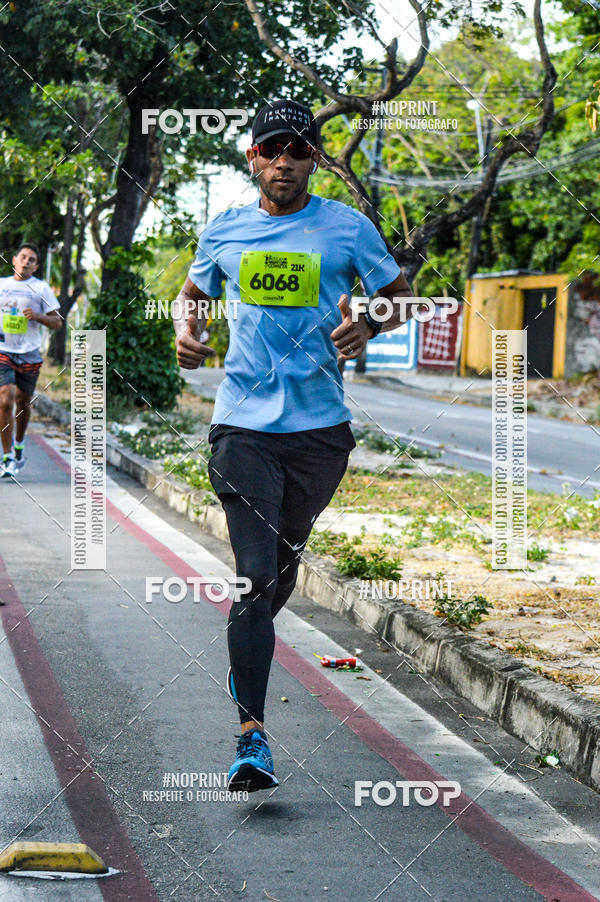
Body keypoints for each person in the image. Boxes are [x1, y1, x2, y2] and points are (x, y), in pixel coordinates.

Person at [173, 99, 412, 793]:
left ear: (315, 158)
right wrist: (187, 330)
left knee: (276, 577)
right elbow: (193, 293)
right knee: (253, 575)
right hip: (241, 429)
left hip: (318, 437)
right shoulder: (227, 228)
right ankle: (251, 735)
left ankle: (246, 650)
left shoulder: (346, 227)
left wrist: (368, 325)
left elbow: (398, 294)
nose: (285, 160)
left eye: (298, 149)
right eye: (272, 148)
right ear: (251, 156)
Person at [0, 243, 61, 477]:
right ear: (14, 259)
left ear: (36, 267)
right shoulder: (2, 285)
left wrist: (37, 316)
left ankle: (19, 445)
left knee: (23, 403)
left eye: (31, 259)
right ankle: (7, 457)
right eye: (23, 257)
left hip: (30, 353)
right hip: (3, 349)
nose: (26, 262)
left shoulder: (41, 288)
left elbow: (57, 322)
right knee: (6, 398)